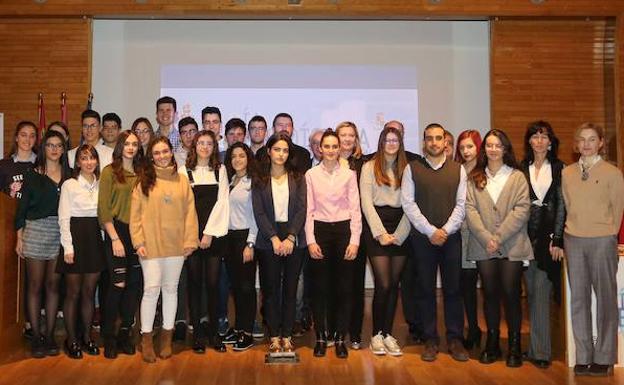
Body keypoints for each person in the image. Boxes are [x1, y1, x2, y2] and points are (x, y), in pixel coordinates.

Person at [465, 129, 533, 368]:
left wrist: (499, 236)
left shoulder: (517, 177)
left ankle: (514, 345)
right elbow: (470, 210)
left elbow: (522, 209)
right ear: (484, 149)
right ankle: (492, 342)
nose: (493, 149)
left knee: (512, 294)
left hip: (513, 244)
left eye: (498, 145)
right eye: (489, 145)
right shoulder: (475, 176)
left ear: (505, 149)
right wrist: (487, 238)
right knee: (490, 294)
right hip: (483, 247)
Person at [401, 122, 468, 363]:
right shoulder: (412, 169)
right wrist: (430, 231)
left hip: (451, 239)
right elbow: (408, 204)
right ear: (424, 142)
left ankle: (455, 339)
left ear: (445, 142)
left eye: (438, 138)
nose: (434, 142)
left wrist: (446, 230)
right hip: (423, 239)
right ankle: (430, 339)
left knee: (453, 290)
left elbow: (462, 204)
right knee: (425, 290)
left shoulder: (458, 170)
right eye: (429, 138)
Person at [562, 122, 624, 377]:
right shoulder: (567, 173)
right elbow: (568, 205)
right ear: (576, 145)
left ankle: (605, 356)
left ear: (600, 143)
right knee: (579, 300)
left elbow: (618, 209)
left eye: (591, 139)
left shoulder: (613, 173)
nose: (586, 144)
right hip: (573, 239)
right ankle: (584, 354)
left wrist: (608, 235)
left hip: (602, 240)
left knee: (606, 300)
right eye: (581, 140)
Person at [130, 137, 198, 363]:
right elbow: (135, 216)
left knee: (170, 290)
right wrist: (138, 241)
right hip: (149, 245)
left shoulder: (182, 180)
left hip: (176, 245)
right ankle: (146, 339)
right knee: (151, 290)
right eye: (156, 153)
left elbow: (190, 212)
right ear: (151, 157)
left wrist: (190, 240)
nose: (161, 156)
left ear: (171, 153)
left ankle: (166, 338)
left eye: (165, 151)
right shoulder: (143, 182)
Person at [305, 129, 361, 359]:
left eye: (334, 146)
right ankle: (320, 337)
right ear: (320, 149)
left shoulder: (349, 175)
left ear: (340, 149)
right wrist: (310, 241)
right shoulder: (310, 174)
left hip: (343, 232)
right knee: (320, 289)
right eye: (326, 146)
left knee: (344, 289)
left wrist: (355, 241)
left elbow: (356, 210)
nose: (330, 150)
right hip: (320, 231)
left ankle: (340, 338)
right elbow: (308, 211)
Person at [15, 130, 71, 358]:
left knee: (53, 286)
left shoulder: (70, 175)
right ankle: (36, 336)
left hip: (60, 233)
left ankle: (49, 336)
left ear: (63, 149)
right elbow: (22, 209)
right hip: (36, 232)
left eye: (58, 145)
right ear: (43, 148)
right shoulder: (32, 174)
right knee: (35, 285)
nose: (54, 149)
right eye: (50, 145)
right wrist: (19, 236)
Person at [252, 132, 307, 354]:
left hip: (294, 238)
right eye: (277, 149)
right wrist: (274, 237)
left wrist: (292, 236)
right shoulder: (260, 179)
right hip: (268, 239)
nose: (281, 154)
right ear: (269, 151)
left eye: (285, 150)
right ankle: (274, 334)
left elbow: (302, 208)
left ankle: (287, 334)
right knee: (271, 290)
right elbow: (259, 212)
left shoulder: (298, 177)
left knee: (291, 290)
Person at [360, 126, 410, 356]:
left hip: (401, 227)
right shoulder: (369, 167)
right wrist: (380, 233)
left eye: (395, 140)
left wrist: (399, 235)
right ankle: (376, 335)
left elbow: (411, 204)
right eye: (387, 140)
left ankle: (388, 334)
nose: (391, 144)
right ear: (381, 143)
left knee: (395, 286)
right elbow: (366, 204)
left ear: (400, 143)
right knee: (383, 284)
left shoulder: (408, 169)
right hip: (377, 227)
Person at [519, 121, 565, 369]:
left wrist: (557, 239)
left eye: (543, 136)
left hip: (548, 242)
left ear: (550, 142)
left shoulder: (559, 168)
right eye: (534, 136)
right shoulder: (520, 169)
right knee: (533, 293)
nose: (539, 141)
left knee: (543, 293)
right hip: (524, 239)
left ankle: (542, 352)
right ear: (529, 141)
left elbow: (562, 205)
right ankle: (537, 346)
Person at [178, 130, 229, 353]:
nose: (205, 147)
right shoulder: (183, 171)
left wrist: (208, 234)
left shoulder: (221, 170)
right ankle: (197, 332)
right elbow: (182, 207)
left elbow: (222, 203)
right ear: (194, 146)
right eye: (201, 143)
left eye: (209, 143)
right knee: (194, 285)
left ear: (214, 146)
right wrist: (194, 236)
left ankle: (213, 333)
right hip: (191, 237)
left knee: (213, 285)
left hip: (214, 237)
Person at [57, 144, 107, 359]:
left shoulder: (101, 184)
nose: (89, 162)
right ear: (77, 162)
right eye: (84, 158)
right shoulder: (69, 184)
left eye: (92, 158)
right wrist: (68, 247)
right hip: (75, 240)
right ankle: (72, 340)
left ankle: (86, 337)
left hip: (94, 240)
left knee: (89, 292)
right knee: (73, 293)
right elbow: (63, 218)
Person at [98, 131, 144, 359]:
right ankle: (109, 337)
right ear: (120, 146)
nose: (131, 147)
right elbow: (103, 209)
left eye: (135, 144)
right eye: (127, 143)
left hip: (138, 235)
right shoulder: (109, 172)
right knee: (118, 285)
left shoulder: (143, 173)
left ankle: (125, 334)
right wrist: (115, 238)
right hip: (117, 232)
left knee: (133, 288)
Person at [223, 142, 259, 351]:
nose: (237, 159)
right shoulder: (229, 180)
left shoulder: (252, 182)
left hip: (245, 238)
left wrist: (250, 243)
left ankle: (247, 332)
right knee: (236, 286)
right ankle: (237, 328)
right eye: (234, 156)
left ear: (248, 159)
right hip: (229, 238)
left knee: (246, 287)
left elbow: (255, 215)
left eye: (242, 156)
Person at [335, 121, 366, 349]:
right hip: (332, 231)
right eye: (342, 135)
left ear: (356, 139)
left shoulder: (364, 164)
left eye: (351, 135)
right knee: (335, 284)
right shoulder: (327, 162)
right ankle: (336, 331)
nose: (346, 139)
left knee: (355, 284)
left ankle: (354, 333)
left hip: (357, 231)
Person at [453, 129, 483, 350]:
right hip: (463, 237)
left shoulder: (487, 171)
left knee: (491, 289)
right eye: (462, 147)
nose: (466, 151)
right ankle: (472, 328)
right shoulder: (457, 171)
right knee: (467, 287)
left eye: (470, 146)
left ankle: (491, 332)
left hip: (486, 237)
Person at [0, 121, 37, 198]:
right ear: (16, 138)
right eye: (24, 135)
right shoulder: (3, 165)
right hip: (11, 209)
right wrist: (10, 191)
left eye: (32, 136)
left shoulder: (42, 163)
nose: (28, 139)